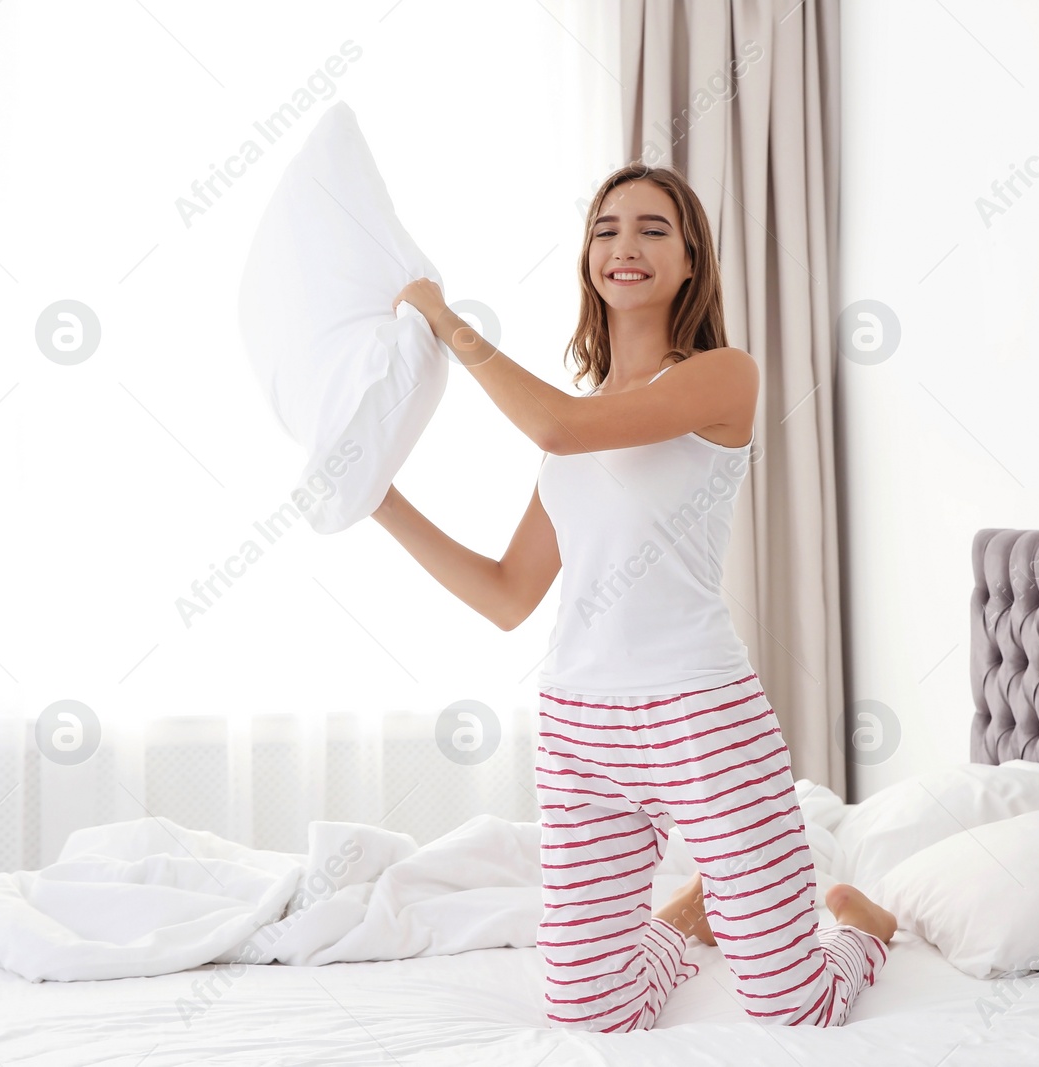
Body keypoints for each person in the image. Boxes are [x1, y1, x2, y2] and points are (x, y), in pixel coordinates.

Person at [373, 161, 896, 1032]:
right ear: (588, 259)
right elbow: (508, 594)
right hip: (580, 726)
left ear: (690, 261)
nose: (626, 245)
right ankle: (688, 917)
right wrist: (379, 500)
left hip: (702, 712)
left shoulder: (723, 378)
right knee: (589, 1008)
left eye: (654, 229)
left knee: (792, 1007)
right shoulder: (576, 423)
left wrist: (444, 318)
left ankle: (866, 930)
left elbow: (556, 426)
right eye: (606, 228)